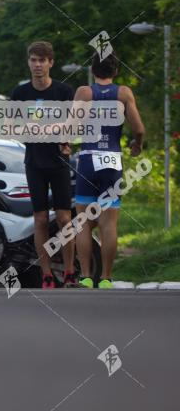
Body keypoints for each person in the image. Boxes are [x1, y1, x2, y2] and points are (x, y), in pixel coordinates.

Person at [73, 52, 145, 289]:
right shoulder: (124, 93)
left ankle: (84, 276)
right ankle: (106, 278)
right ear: (116, 72)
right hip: (112, 160)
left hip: (88, 158)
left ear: (93, 71)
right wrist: (137, 144)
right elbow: (139, 129)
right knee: (108, 223)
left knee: (83, 221)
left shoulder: (85, 92)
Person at [10, 41, 77, 289]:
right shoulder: (21, 94)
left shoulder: (63, 92)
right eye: (33, 60)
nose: (37, 65)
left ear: (51, 63)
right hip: (34, 162)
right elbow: (10, 126)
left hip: (59, 162)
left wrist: (66, 138)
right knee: (39, 219)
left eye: (42, 60)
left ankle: (70, 270)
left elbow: (75, 123)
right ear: (28, 62)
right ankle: (46, 273)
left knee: (63, 218)